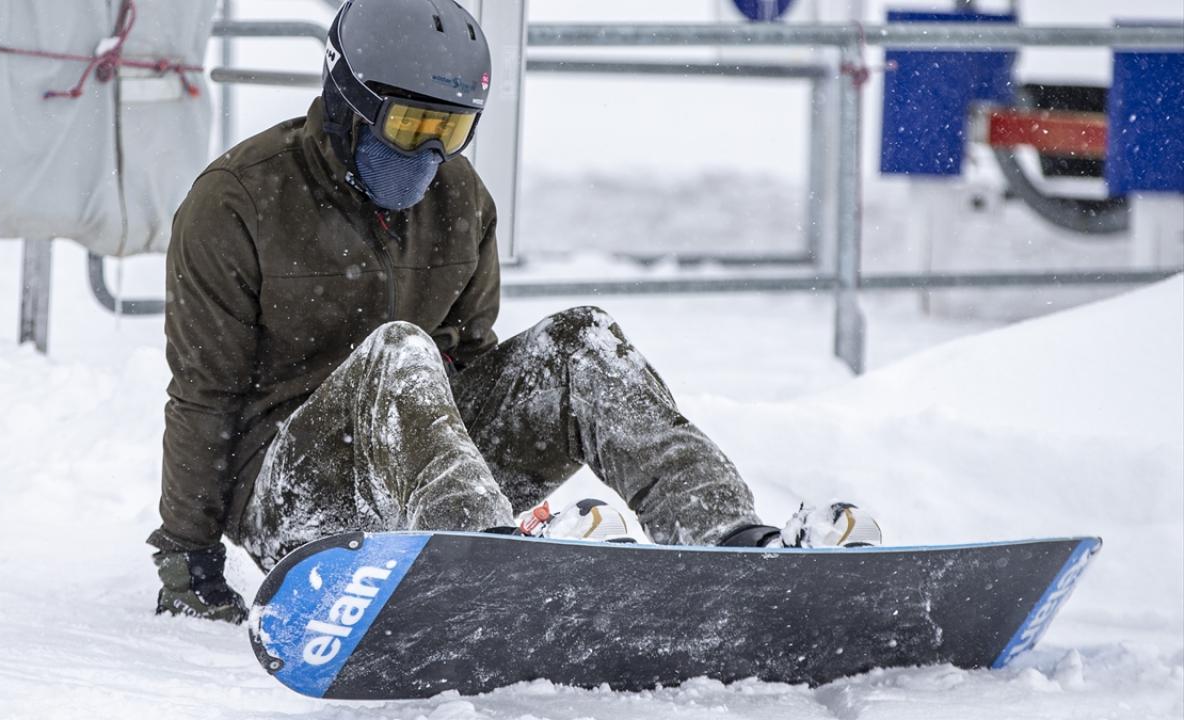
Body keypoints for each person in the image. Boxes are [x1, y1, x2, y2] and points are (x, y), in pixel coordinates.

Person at [148, 0, 881, 624]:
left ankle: (725, 539)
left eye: (452, 129)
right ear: (349, 105)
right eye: (408, 126)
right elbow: (204, 395)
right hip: (293, 487)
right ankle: (481, 558)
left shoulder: (458, 199)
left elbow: (471, 368)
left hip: (419, 482)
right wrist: (187, 561)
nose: (430, 152)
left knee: (580, 340)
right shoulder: (239, 202)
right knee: (402, 348)